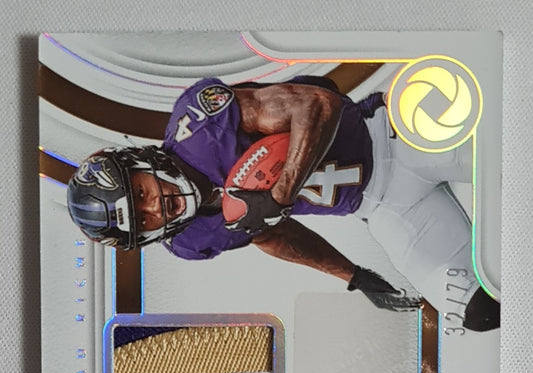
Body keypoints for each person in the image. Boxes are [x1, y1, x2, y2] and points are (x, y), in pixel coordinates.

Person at [67, 75, 499, 330]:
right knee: (475, 309)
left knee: (508, 156)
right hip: (382, 208)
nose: (155, 210)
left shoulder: (199, 125)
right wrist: (354, 276)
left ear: (139, 163)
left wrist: (280, 194)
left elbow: (316, 104)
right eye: (142, 221)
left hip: (396, 136)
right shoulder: (188, 241)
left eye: (140, 194)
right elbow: (270, 236)